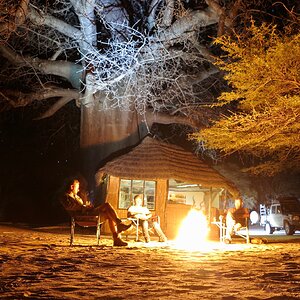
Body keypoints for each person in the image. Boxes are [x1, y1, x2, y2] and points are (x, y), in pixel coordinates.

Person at [61, 178, 131, 246]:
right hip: (82, 217)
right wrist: (84, 207)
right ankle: (119, 224)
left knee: (109, 214)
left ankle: (116, 239)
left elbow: (81, 206)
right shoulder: (66, 197)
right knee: (106, 205)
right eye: (77, 187)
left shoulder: (77, 197)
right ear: (72, 187)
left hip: (88, 214)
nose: (78, 190)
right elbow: (69, 206)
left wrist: (87, 206)